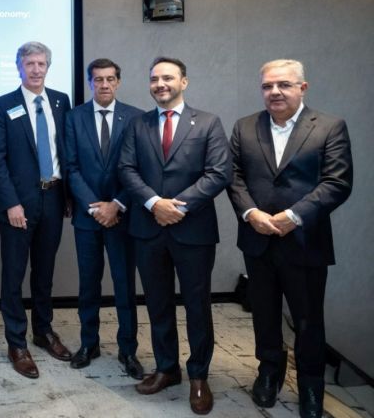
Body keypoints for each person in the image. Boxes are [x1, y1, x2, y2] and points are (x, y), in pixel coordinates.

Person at [227, 59, 352, 418]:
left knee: (308, 320)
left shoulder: (329, 126)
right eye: (267, 86)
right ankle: (269, 372)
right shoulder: (244, 127)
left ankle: (311, 387)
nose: (274, 92)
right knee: (264, 314)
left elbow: (338, 183)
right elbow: (234, 178)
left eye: (283, 84)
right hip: (258, 240)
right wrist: (252, 214)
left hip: (305, 243)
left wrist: (293, 216)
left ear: (303, 87)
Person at [117, 56, 231, 415]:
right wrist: (154, 204)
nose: (160, 84)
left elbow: (218, 173)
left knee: (197, 305)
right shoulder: (138, 124)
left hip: (192, 230)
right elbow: (126, 169)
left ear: (184, 81)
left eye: (168, 77)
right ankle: (167, 368)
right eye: (154, 78)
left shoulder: (209, 123)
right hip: (149, 230)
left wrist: (176, 206)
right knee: (158, 303)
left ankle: (199, 375)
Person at [0, 41, 73, 378]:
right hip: (18, 203)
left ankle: (43, 331)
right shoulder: (1, 105)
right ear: (19, 67)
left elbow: (64, 151)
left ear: (48, 67)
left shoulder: (60, 101)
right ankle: (16, 341)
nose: (36, 70)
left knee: (45, 271)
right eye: (29, 64)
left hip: (52, 198)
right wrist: (11, 202)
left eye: (41, 64)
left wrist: (69, 196)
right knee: (13, 274)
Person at [64, 58, 144, 378]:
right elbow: (70, 167)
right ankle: (89, 344)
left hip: (123, 216)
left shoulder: (136, 118)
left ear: (119, 82)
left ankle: (128, 350)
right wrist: (95, 207)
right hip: (88, 217)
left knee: (125, 286)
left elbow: (138, 169)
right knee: (88, 285)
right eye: (98, 80)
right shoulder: (74, 118)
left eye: (110, 79)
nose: (105, 85)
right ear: (90, 82)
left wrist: (117, 205)